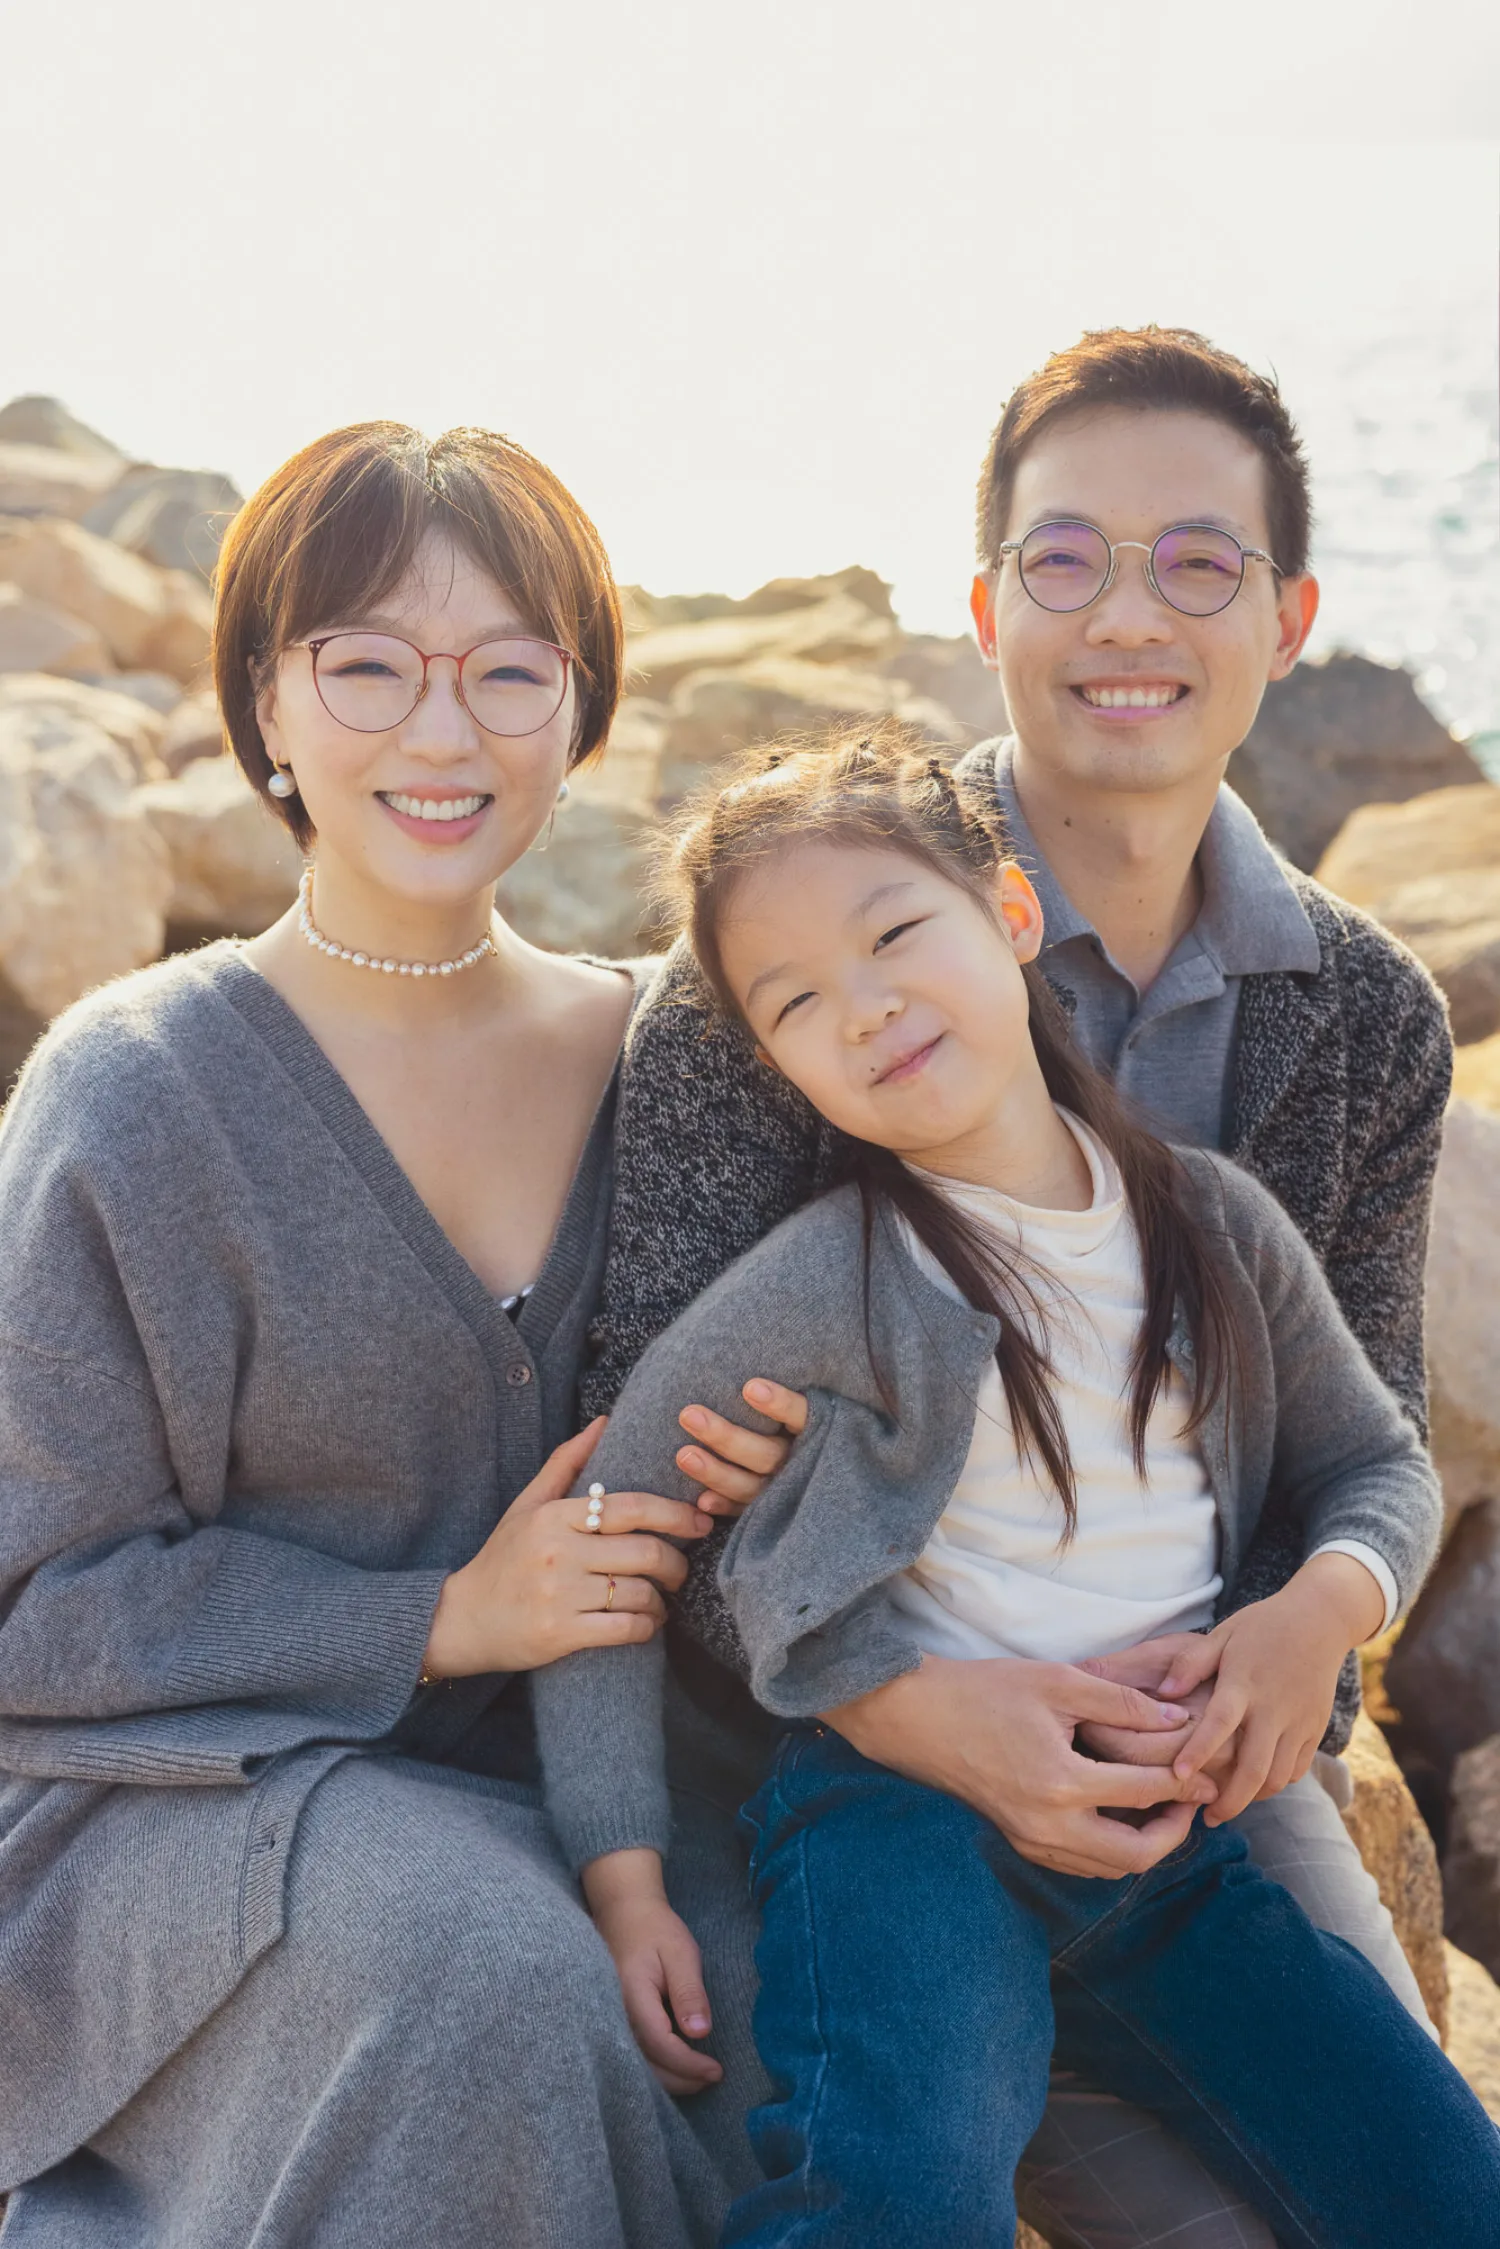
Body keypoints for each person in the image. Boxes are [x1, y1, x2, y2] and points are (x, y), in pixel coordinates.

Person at [583, 327, 1453, 2245]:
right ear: (987, 605)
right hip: (845, 1770)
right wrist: (911, 1708)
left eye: (1197, 562)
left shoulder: (1369, 1021)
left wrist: (1301, 1651)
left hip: (1185, 1778)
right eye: (1067, 559)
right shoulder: (804, 938)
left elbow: (1353, 1453)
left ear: (1289, 614)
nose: (1127, 613)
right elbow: (668, 1468)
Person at [0, 420, 775, 2247]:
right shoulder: (136, 1095)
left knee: (808, 2010)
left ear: (580, 720)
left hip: (607, 1792)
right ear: (266, 704)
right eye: (367, 664)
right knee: (478, 1979)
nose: (445, 733)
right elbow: (35, 1604)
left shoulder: (684, 1056)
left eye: (513, 670)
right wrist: (440, 1618)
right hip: (180, 1797)